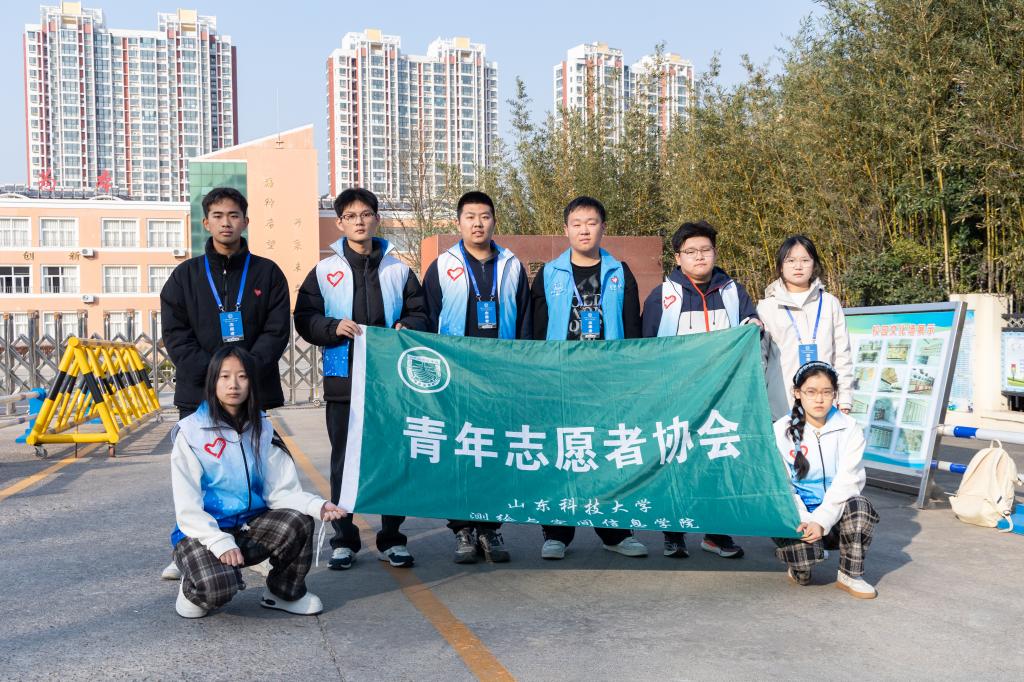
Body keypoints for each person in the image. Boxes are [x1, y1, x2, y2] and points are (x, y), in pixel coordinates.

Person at [159, 186, 291, 581]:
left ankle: (257, 545)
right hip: (197, 392)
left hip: (250, 392)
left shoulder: (267, 273)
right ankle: (189, 544)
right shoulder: (185, 276)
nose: (226, 223)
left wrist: (243, 372)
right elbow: (175, 334)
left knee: (252, 469)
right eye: (217, 216)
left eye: (233, 215)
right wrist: (215, 375)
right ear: (206, 223)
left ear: (245, 221)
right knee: (196, 473)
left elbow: (276, 331)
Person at [294, 187, 429, 571]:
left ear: (377, 219)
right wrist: (332, 326)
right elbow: (304, 317)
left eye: (366, 214)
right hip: (345, 382)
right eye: (351, 216)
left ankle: (392, 538)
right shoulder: (324, 272)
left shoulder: (398, 270)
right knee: (344, 461)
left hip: (391, 384)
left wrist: (408, 325)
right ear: (340, 223)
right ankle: (344, 539)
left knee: (393, 460)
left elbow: (421, 313)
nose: (359, 221)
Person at [170, 346, 346, 618]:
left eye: (242, 376)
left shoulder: (262, 428)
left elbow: (280, 491)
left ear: (252, 382)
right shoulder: (191, 433)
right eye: (225, 376)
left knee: (298, 521)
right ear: (212, 381)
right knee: (215, 590)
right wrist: (218, 541)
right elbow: (187, 507)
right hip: (202, 533)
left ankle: (283, 592)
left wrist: (316, 505)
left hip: (249, 526)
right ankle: (192, 584)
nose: (233, 385)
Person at [530, 195, 648, 560]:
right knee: (560, 453)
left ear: (603, 228)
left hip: (606, 382)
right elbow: (535, 332)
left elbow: (632, 329)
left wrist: (629, 377)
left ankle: (615, 533)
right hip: (560, 380)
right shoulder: (548, 274)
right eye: (577, 223)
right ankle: (556, 533)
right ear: (565, 229)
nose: (584, 230)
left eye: (592, 222)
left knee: (608, 454)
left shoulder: (620, 272)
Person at [641, 220, 761, 561]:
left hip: (722, 399)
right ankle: (673, 535)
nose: (699, 257)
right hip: (676, 399)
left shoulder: (733, 292)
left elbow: (751, 326)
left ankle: (715, 534)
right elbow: (646, 347)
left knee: (717, 464)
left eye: (705, 250)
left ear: (715, 253)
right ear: (678, 258)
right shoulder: (663, 296)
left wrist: (756, 326)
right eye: (690, 251)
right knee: (675, 464)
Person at [423, 190, 531, 564]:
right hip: (456, 377)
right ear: (458, 223)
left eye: (484, 216)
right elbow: (427, 321)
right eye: (470, 216)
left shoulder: (512, 265)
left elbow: (526, 321)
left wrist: (522, 370)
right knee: (461, 452)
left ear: (494, 221)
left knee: (495, 451)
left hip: (500, 377)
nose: (478, 223)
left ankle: (490, 528)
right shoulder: (443, 266)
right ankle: (463, 529)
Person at [771, 361, 879, 599]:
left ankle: (850, 575)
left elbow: (849, 481)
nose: (819, 399)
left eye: (826, 392)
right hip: (797, 515)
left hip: (833, 516)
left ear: (835, 394)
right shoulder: (780, 430)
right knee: (804, 568)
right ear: (797, 393)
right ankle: (799, 565)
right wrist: (806, 519)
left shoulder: (849, 428)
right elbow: (780, 486)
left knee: (860, 506)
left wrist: (821, 521)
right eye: (811, 392)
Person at [758, 235, 854, 420]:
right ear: (780, 266)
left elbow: (842, 355)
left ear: (814, 264)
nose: (798, 266)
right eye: (791, 260)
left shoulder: (830, 303)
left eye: (805, 260)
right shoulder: (767, 307)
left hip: (824, 405)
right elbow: (760, 359)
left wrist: (845, 399)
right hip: (780, 406)